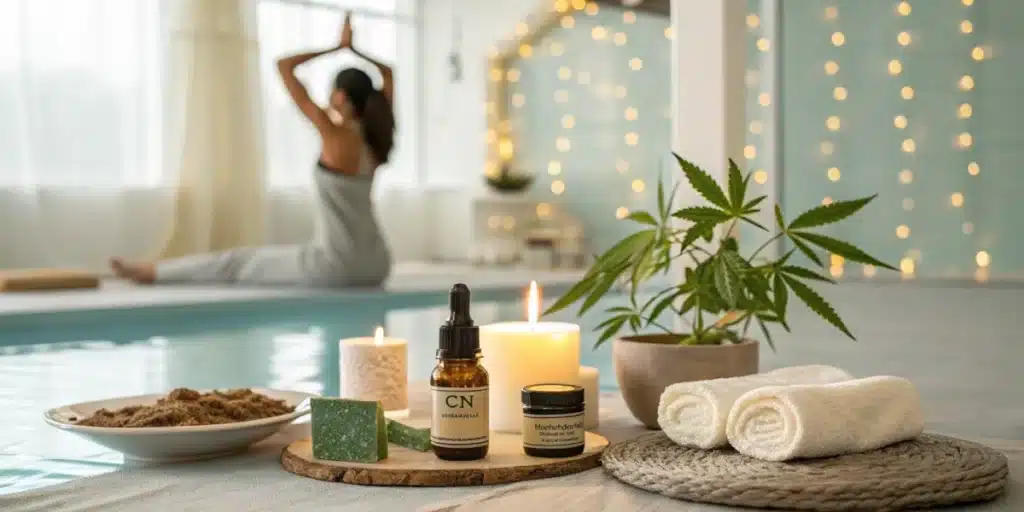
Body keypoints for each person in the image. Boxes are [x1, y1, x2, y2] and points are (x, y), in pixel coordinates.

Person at [111, 13, 395, 287]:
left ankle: (152, 272)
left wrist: (338, 47)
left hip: (337, 265)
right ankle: (154, 271)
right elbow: (389, 73)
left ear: (340, 96)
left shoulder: (333, 134)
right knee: (244, 260)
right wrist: (355, 51)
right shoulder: (375, 139)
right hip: (377, 264)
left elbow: (284, 66)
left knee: (238, 261)